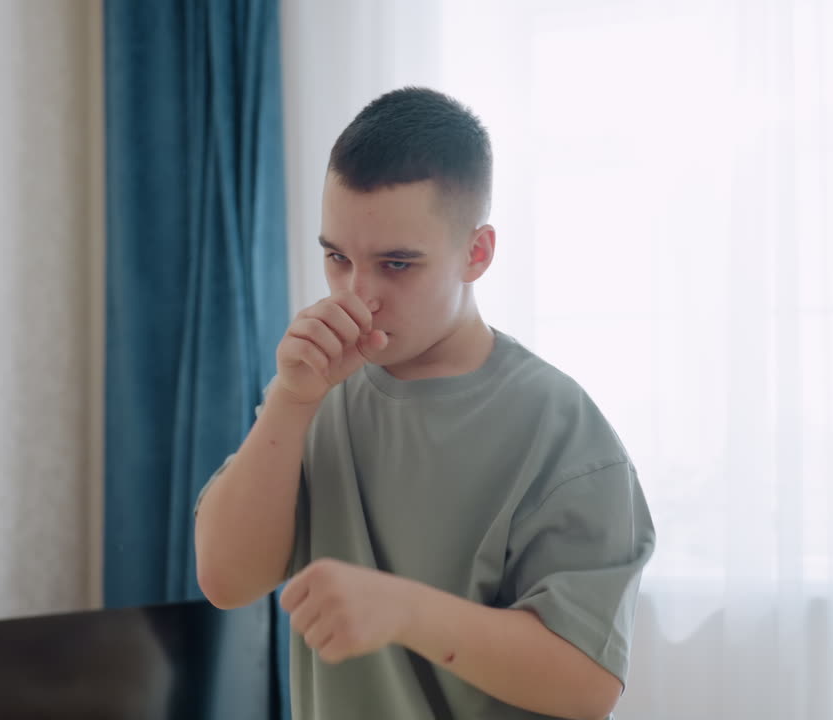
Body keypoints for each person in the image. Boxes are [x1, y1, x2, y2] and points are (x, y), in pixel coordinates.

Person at [194, 87, 655, 720]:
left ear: (477, 253)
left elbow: (589, 685)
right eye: (337, 257)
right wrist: (290, 402)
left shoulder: (560, 425)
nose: (357, 295)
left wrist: (404, 611)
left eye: (396, 264)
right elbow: (226, 581)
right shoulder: (314, 390)